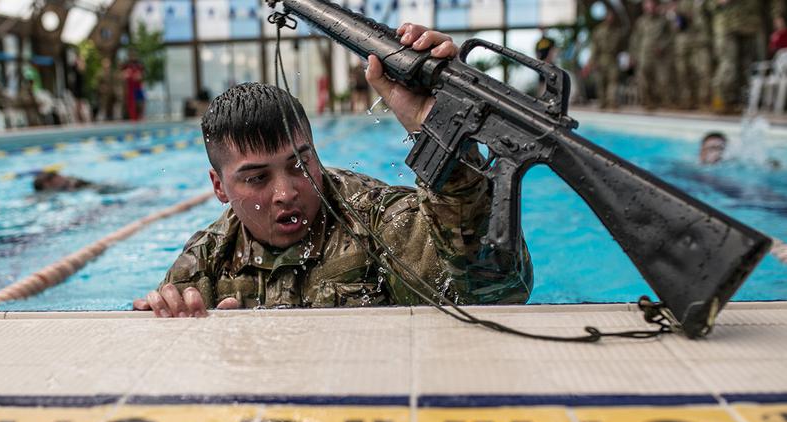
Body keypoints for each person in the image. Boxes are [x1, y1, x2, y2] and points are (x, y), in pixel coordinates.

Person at [133, 24, 532, 317]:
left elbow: (496, 292)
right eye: (257, 178)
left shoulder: (373, 218)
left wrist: (444, 134)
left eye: (300, 163)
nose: (286, 192)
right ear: (219, 187)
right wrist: (175, 322)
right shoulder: (205, 262)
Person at [711, 0, 763, 114]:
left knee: (745, 66)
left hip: (748, 24)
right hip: (726, 25)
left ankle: (739, 102)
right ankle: (721, 101)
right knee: (728, 65)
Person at [629, 0, 676, 110]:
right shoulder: (640, 22)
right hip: (644, 56)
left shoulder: (663, 21)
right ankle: (649, 103)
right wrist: (633, 55)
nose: (649, 7)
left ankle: (666, 103)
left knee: (662, 81)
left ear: (656, 6)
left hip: (660, 57)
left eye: (652, 5)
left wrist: (662, 46)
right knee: (644, 80)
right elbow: (635, 39)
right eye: (647, 5)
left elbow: (671, 37)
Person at [589, 10, 624, 109]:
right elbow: (594, 48)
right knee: (601, 82)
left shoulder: (617, 32)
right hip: (601, 59)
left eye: (612, 16)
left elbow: (621, 47)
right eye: (609, 16)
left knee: (613, 81)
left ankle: (612, 101)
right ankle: (602, 101)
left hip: (613, 59)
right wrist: (593, 62)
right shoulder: (598, 31)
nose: (610, 18)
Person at [122, 51, 145, 121]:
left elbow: (141, 76)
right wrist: (127, 74)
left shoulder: (139, 65)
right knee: (132, 105)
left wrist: (138, 76)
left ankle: (140, 116)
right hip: (130, 89)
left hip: (138, 88)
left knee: (140, 102)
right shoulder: (126, 65)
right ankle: (133, 118)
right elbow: (123, 75)